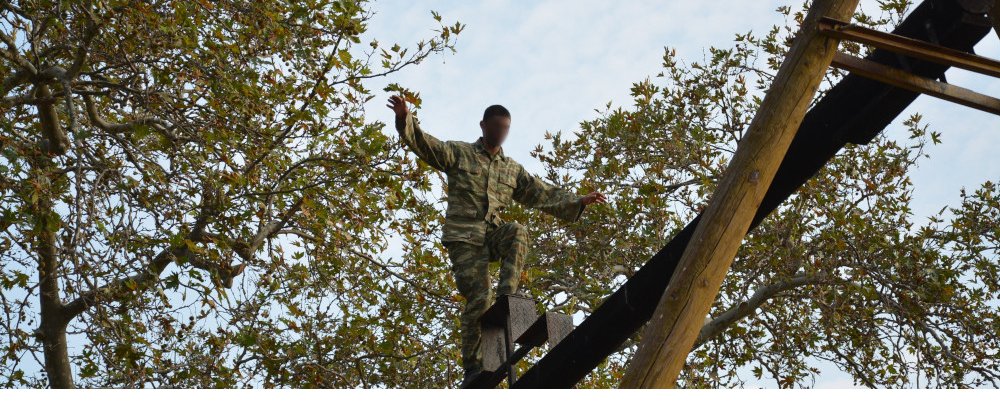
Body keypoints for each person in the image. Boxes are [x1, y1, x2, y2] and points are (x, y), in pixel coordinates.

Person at [386, 95, 607, 387]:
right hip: (464, 239)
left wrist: (578, 201)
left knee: (518, 230)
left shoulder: (511, 169)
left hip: (491, 235)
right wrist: (405, 120)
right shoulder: (460, 153)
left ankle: (507, 298)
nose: (501, 132)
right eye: (496, 126)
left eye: (506, 128)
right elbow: (427, 145)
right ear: (483, 125)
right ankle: (474, 368)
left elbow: (542, 193)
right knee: (479, 298)